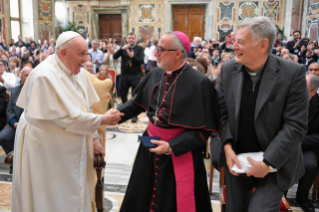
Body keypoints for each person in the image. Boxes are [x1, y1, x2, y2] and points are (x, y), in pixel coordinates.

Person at [11, 31, 124, 212]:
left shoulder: (76, 69)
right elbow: (64, 119)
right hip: (46, 149)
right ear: (63, 53)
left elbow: (85, 107)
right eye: (81, 54)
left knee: (74, 193)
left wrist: (94, 137)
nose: (85, 59)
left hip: (69, 145)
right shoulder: (44, 76)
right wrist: (103, 119)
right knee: (52, 197)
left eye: (86, 53)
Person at [118, 31, 219, 212]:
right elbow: (137, 103)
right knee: (141, 195)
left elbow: (204, 130)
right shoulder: (156, 73)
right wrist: (114, 115)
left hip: (181, 152)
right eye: (157, 48)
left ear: (178, 54)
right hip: (149, 150)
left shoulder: (199, 83)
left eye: (160, 49)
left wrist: (171, 145)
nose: (155, 53)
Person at [218, 16, 308, 211]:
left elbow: (295, 125)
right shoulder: (228, 69)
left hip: (275, 164)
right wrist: (227, 147)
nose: (233, 47)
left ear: (262, 45)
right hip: (238, 160)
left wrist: (267, 163)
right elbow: (222, 114)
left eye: (240, 42)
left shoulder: (292, 73)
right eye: (234, 41)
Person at [293, 72, 319, 212]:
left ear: (313, 92)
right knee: (279, 160)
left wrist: (302, 141)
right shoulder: (289, 97)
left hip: (307, 144)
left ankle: (302, 197)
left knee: (309, 165)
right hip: (287, 141)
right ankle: (280, 195)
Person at [0, 67, 32, 156]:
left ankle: (25, 161)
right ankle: (15, 159)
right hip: (16, 123)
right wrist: (14, 123)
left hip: (32, 124)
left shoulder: (40, 91)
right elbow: (9, 110)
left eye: (31, 75)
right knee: (3, 137)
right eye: (26, 75)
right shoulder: (15, 90)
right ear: (21, 77)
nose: (29, 77)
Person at [113, 32, 144, 122]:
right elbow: (115, 56)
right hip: (124, 75)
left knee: (135, 95)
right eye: (129, 38)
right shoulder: (123, 48)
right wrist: (121, 49)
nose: (131, 40)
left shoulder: (139, 49)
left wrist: (133, 57)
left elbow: (141, 61)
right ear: (127, 39)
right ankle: (125, 111)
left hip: (135, 75)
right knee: (123, 95)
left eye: (132, 38)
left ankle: (134, 114)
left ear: (135, 39)